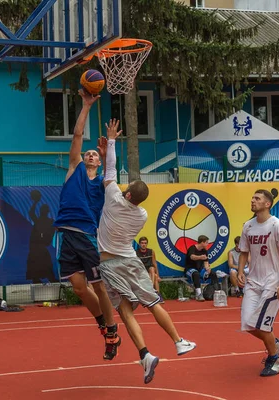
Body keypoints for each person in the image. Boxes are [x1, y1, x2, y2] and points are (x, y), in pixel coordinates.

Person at [96, 119, 196, 384]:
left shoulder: (114, 198)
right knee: (153, 303)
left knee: (126, 312)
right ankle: (178, 341)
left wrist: (112, 141)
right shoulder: (142, 214)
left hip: (109, 265)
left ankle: (144, 354)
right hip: (130, 262)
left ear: (127, 193)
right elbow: (114, 176)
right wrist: (111, 149)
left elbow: (109, 172)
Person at [53, 89, 120, 360]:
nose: (90, 154)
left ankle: (112, 329)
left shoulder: (104, 182)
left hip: (88, 235)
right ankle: (103, 324)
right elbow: (78, 136)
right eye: (89, 153)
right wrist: (86, 106)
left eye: (94, 154)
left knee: (99, 286)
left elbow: (112, 168)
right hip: (66, 233)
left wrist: (108, 151)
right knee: (79, 287)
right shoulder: (74, 168)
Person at [237, 189, 279, 377]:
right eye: (252, 197)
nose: (253, 201)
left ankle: (275, 360)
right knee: (247, 323)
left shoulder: (277, 226)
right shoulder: (248, 226)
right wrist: (240, 271)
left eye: (257, 198)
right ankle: (275, 343)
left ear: (267, 204)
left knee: (261, 325)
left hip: (272, 282)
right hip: (253, 282)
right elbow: (244, 251)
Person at [185, 235, 220, 302]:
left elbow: (206, 262)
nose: (208, 244)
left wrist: (207, 268)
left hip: (200, 269)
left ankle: (216, 292)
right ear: (202, 242)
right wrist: (200, 257)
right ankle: (199, 294)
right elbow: (192, 257)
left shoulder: (204, 251)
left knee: (212, 273)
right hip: (190, 269)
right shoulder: (192, 248)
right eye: (206, 242)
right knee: (196, 274)